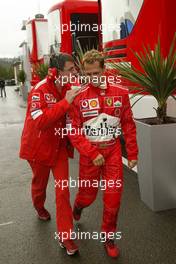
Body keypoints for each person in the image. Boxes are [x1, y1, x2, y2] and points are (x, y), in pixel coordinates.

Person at [68, 50, 138, 258]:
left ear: (104, 70)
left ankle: (108, 237)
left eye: (96, 73)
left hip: (113, 153)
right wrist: (90, 152)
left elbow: (128, 124)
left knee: (113, 199)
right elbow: (73, 130)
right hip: (91, 156)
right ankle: (79, 205)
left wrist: (133, 153)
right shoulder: (78, 95)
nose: (92, 79)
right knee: (88, 196)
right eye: (88, 75)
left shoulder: (120, 92)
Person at [19, 53, 80, 255]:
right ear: (57, 71)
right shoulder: (39, 89)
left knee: (63, 192)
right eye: (71, 69)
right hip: (38, 149)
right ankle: (39, 206)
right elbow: (41, 122)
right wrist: (66, 103)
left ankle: (66, 237)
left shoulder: (70, 87)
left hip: (59, 148)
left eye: (75, 69)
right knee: (39, 185)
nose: (74, 73)